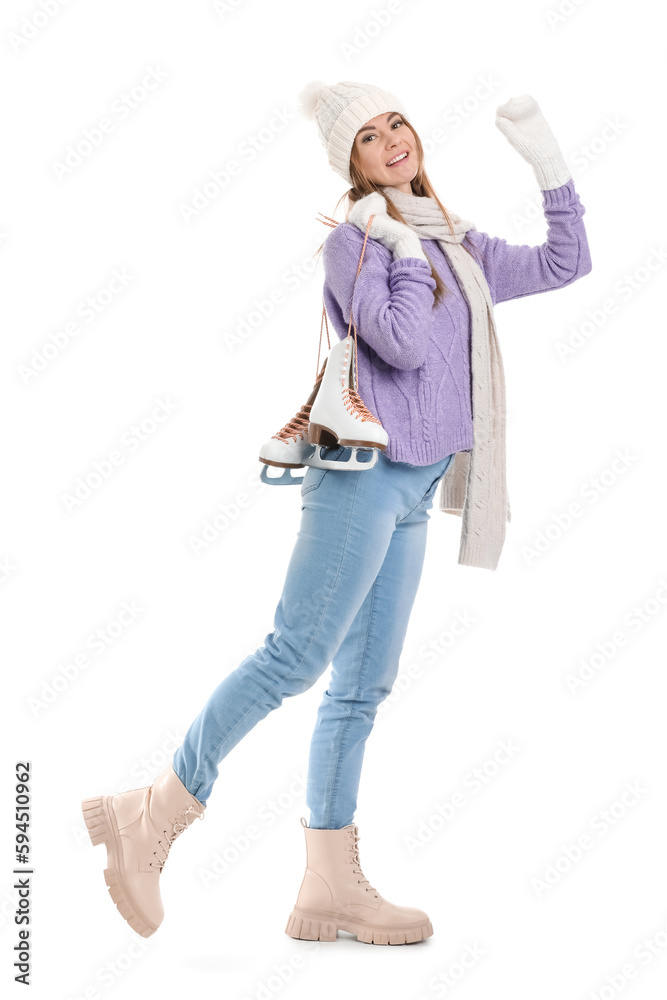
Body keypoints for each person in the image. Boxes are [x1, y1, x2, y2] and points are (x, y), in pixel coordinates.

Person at [81, 80, 592, 946]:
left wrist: (543, 159)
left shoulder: (454, 243)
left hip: (419, 484)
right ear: (347, 164)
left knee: (361, 687)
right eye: (367, 136)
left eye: (396, 121)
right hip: (360, 479)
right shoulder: (356, 244)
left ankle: (327, 886)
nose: (391, 138)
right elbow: (392, 339)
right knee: (295, 656)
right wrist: (391, 241)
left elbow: (562, 262)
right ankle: (156, 811)